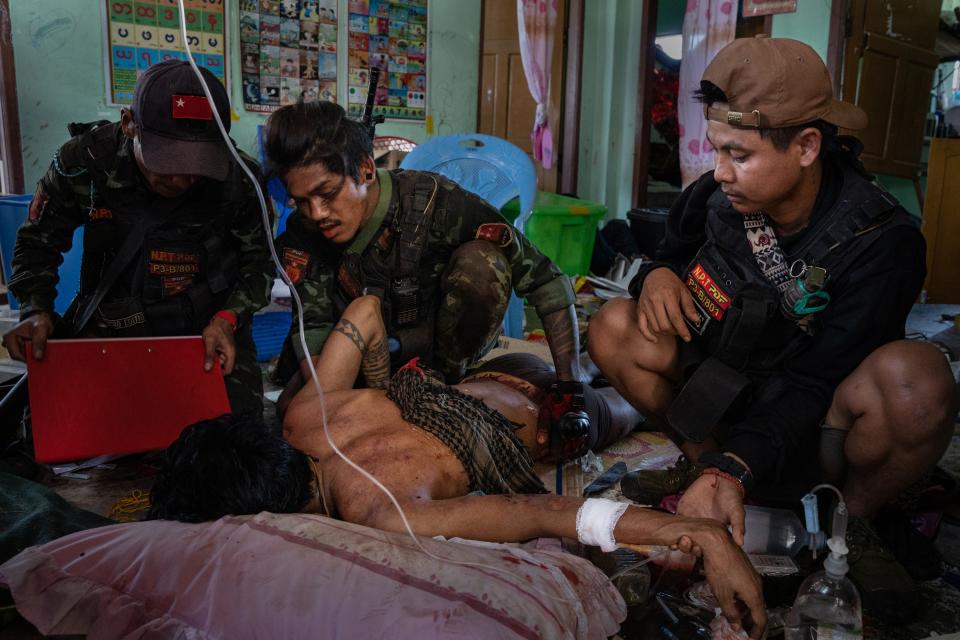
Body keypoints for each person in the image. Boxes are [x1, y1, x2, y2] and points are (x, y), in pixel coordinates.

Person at [587, 36, 958, 620]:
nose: (719, 171)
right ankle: (704, 471)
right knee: (613, 324)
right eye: (716, 150)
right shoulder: (717, 193)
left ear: (807, 146)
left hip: (816, 423)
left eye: (740, 154)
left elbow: (817, 380)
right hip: (724, 392)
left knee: (917, 380)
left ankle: (845, 529)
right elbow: (671, 245)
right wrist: (656, 274)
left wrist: (738, 464)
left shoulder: (882, 243)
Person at [148, 295, 766, 638]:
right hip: (498, 369)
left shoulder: (379, 512)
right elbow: (365, 310)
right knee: (623, 380)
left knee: (642, 411)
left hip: (559, 420)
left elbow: (542, 512)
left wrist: (701, 535)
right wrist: (396, 397)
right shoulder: (301, 416)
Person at [263, 100, 589, 453]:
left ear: (365, 169)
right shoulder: (303, 234)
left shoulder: (439, 204)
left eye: (327, 194)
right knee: (287, 422)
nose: (318, 213)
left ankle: (453, 385)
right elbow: (314, 335)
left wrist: (569, 390)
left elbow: (545, 279)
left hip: (437, 361)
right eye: (302, 201)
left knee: (483, 262)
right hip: (350, 363)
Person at [2, 60, 274, 416]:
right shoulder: (85, 162)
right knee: (68, 434)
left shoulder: (240, 179)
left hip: (209, 333)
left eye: (199, 164)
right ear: (129, 123)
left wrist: (228, 318)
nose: (182, 180)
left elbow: (260, 265)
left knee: (237, 443)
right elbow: (38, 243)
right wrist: (35, 309)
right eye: (168, 160)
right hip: (112, 331)